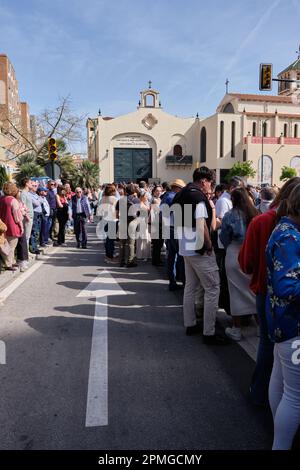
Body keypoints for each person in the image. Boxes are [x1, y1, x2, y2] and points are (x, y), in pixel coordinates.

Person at [239, 176, 300, 407]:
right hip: (280, 296)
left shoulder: (262, 221)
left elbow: (246, 262)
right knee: (273, 349)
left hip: (266, 291)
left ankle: (259, 394)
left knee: (269, 347)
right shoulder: (283, 228)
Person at [172, 167, 228, 345]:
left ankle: (190, 324)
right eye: (210, 182)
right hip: (199, 249)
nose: (210, 186)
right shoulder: (198, 196)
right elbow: (201, 223)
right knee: (213, 288)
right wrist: (209, 244)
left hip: (185, 246)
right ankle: (209, 332)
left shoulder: (181, 194)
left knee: (190, 287)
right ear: (204, 180)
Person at [266, 183, 300, 450]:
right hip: (293, 323)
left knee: (282, 383)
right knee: (295, 398)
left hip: (283, 321)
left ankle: (278, 434)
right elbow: (286, 286)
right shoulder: (289, 235)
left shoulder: (285, 229)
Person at [220, 187, 258, 341]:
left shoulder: (230, 215)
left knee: (234, 291)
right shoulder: (255, 214)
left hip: (235, 251)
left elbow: (224, 237)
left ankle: (236, 329)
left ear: (233, 200)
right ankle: (261, 327)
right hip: (252, 252)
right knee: (254, 290)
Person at [161, 179, 185, 290]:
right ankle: (181, 280)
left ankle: (172, 281)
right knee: (180, 256)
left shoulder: (166, 196)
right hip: (174, 228)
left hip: (168, 228)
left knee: (171, 256)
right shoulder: (173, 197)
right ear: (178, 188)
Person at [0, 182, 23, 270]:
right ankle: (8, 264)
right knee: (11, 246)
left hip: (2, 226)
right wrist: (21, 227)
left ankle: (11, 262)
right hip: (12, 225)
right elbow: (17, 217)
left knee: (5, 245)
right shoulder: (13, 200)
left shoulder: (1, 199)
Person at [98, 184, 118, 263]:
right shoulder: (115, 199)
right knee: (111, 240)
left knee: (107, 239)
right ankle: (109, 256)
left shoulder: (102, 199)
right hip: (112, 220)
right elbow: (117, 211)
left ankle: (108, 255)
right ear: (113, 191)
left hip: (104, 220)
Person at [29, 181, 42, 255]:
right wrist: (39, 200)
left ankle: (36, 247)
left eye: (36, 185)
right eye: (34, 186)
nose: (36, 187)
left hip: (39, 214)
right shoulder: (30, 195)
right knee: (34, 231)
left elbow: (41, 200)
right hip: (35, 214)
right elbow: (36, 203)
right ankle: (33, 248)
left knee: (37, 232)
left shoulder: (36, 194)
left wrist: (39, 200)